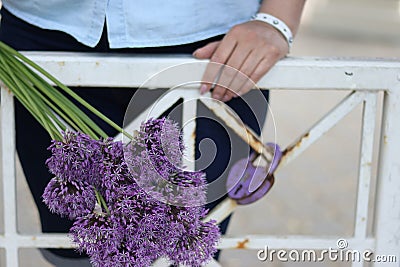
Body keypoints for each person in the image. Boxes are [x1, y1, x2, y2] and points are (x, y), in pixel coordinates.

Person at [0, 0, 305, 265]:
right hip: (42, 35)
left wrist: (276, 20)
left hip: (212, 48)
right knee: (81, 252)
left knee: (181, 252)